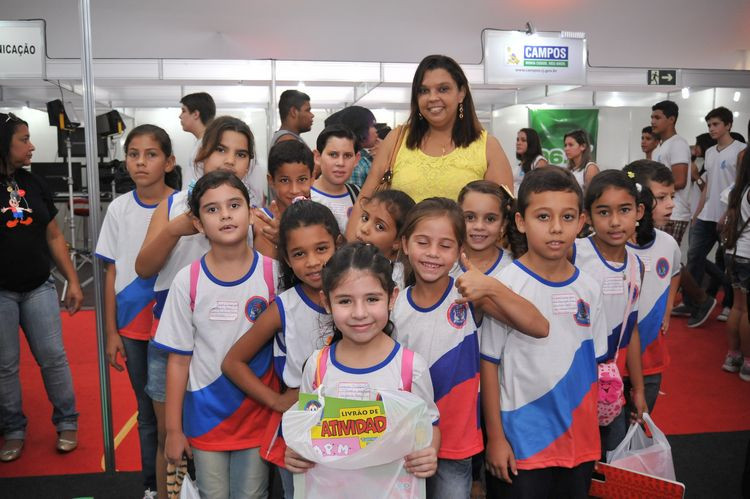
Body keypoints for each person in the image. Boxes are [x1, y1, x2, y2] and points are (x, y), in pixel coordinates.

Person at [391, 197, 546, 499]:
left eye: (445, 245)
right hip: (405, 440)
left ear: (459, 251)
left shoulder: (469, 296)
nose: (433, 254)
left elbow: (538, 326)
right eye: (423, 242)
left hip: (456, 442)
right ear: (405, 243)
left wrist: (490, 287)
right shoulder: (392, 304)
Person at [135, 115, 255, 499]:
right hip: (173, 342)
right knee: (169, 437)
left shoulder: (247, 210)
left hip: (226, 341)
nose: (230, 160)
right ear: (201, 152)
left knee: (225, 434)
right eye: (221, 149)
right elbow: (143, 268)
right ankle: (164, 493)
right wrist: (175, 228)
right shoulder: (171, 205)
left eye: (241, 153)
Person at [480, 166, 607, 498]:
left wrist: (592, 439)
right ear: (521, 221)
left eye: (567, 218)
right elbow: (489, 365)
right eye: (543, 217)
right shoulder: (504, 286)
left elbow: (594, 367)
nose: (555, 228)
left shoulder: (590, 288)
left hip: (578, 443)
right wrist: (495, 438)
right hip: (521, 441)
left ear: (581, 222)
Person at [155, 171, 277, 499]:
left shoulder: (273, 274)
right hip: (204, 417)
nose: (224, 214)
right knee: (213, 494)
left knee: (252, 494)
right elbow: (179, 361)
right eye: (212, 209)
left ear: (251, 212)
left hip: (257, 414)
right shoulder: (187, 280)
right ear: (197, 223)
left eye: (234, 205)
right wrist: (173, 430)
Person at [283, 243, 441, 493]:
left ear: (392, 297)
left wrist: (430, 452)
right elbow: (306, 432)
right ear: (326, 302)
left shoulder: (411, 368)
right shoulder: (317, 366)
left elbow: (429, 425)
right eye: (345, 301)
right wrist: (295, 453)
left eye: (372, 299)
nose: (359, 313)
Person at [222, 200, 341, 498]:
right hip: (301, 427)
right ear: (286, 259)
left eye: (322, 249)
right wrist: (275, 401)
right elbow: (233, 362)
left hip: (350, 420)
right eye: (299, 254)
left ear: (338, 245)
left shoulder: (358, 296)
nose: (313, 261)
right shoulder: (284, 308)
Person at [348, 54, 512, 238]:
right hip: (401, 261)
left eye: (443, 89)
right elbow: (365, 203)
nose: (432, 98)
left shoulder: (487, 147)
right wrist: (352, 258)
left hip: (465, 262)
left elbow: (502, 219)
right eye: (424, 91)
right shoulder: (397, 140)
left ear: (461, 93)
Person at [95, 125, 176, 496]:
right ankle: (151, 484)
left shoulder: (182, 205)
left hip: (173, 324)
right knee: (147, 414)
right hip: (131, 325)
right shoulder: (119, 209)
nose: (141, 162)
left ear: (169, 161)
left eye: (151, 154)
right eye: (133, 154)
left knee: (177, 412)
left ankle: (183, 481)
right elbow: (111, 270)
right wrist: (111, 331)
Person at [0, 113, 83, 463]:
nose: (31, 145)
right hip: (1, 292)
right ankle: (13, 429)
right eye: (23, 139)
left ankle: (67, 421)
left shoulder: (33, 184)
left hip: (39, 287)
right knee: (5, 365)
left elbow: (53, 234)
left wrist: (73, 280)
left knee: (53, 358)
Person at [573, 170, 648, 455]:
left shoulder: (636, 266)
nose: (615, 222)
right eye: (604, 212)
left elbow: (633, 328)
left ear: (638, 211)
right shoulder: (574, 253)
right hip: (571, 383)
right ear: (588, 217)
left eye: (625, 210)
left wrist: (637, 389)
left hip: (609, 384)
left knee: (613, 458)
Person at [622, 161, 682, 411]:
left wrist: (667, 309)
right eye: (662, 197)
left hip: (651, 359)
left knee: (640, 423)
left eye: (672, 196)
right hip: (613, 361)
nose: (671, 204)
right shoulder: (615, 245)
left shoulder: (668, 243)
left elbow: (676, 272)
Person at [685, 108, 747, 327]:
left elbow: (740, 187)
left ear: (728, 125)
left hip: (729, 217)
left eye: (716, 124)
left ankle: (729, 304)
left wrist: (730, 214)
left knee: (729, 264)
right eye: (709, 125)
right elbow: (708, 186)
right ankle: (695, 303)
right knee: (694, 256)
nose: (711, 128)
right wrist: (697, 212)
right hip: (706, 215)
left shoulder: (741, 150)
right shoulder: (710, 153)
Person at [252, 140, 315, 258]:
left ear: (312, 178)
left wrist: (285, 240)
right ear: (271, 181)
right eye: (285, 180)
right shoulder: (259, 222)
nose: (294, 190)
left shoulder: (320, 220)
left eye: (302, 179)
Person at [720, 148, 750, 381]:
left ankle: (733, 355)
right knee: (747, 311)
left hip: (733, 253)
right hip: (748, 255)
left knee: (738, 308)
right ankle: (748, 363)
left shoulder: (736, 191)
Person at [351, 189, 415, 290]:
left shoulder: (394, 278)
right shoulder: (345, 262)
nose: (364, 229)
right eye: (365, 218)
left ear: (398, 241)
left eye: (380, 227)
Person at [452, 180, 514, 280]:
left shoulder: (513, 267)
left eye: (490, 219)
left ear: (503, 224)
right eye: (470, 217)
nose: (479, 226)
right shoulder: (443, 263)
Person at [651, 100, 692, 246]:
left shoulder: (678, 144)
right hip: (659, 211)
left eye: (657, 118)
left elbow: (680, 181)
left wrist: (653, 190)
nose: (653, 121)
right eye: (652, 118)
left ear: (671, 119)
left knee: (666, 261)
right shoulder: (659, 148)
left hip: (674, 212)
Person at [310, 125, 361, 234]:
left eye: (347, 156)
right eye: (333, 155)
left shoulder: (358, 194)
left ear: (356, 160)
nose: (340, 163)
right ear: (317, 157)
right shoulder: (305, 196)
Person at [326, 106, 379, 189]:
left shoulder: (364, 157)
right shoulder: (355, 165)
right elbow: (354, 200)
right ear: (360, 128)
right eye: (372, 126)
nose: (376, 130)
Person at [179, 92, 216, 190]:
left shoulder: (209, 144)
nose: (180, 116)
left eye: (183, 111)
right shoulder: (201, 142)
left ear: (195, 114)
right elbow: (194, 180)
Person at [513, 128, 548, 194]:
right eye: (517, 140)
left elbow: (540, 187)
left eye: (523, 140)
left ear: (532, 143)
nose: (518, 143)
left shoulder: (539, 161)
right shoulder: (520, 164)